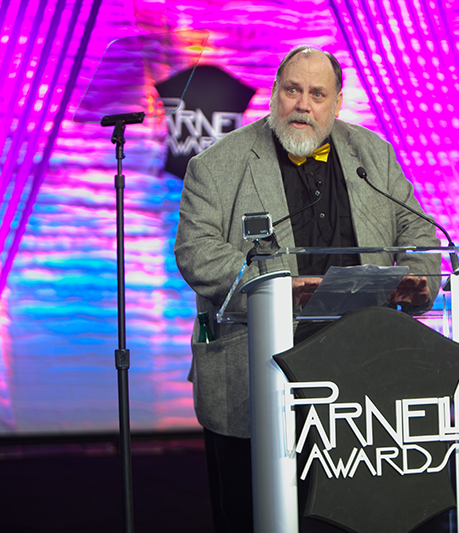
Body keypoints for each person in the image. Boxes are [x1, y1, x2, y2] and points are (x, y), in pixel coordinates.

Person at [173, 45, 440, 531]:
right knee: (254, 518)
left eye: (317, 94)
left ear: (337, 103)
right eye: (292, 90)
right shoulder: (216, 165)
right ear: (275, 92)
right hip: (255, 375)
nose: (303, 104)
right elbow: (197, 250)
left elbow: (418, 231)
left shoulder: (373, 156)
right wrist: (274, 286)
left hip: (360, 382)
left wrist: (421, 279)